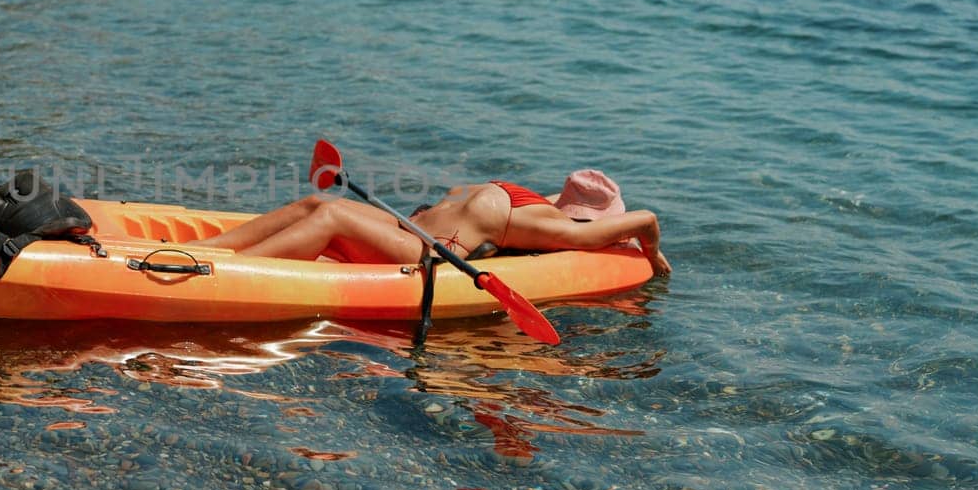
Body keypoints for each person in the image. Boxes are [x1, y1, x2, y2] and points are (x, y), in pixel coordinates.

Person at [195, 169, 671, 276]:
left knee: (324, 206)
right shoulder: (553, 226)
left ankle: (213, 257)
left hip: (411, 234)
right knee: (324, 207)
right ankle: (210, 263)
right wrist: (653, 255)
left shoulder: (523, 195)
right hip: (417, 244)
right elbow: (645, 219)